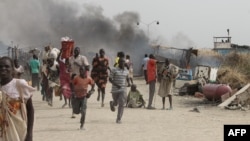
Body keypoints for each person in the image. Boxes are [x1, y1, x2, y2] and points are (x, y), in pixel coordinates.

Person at [0, 56, 35, 141]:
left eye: (7, 66)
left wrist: (29, 134)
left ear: (12, 69)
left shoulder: (20, 84)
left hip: (20, 132)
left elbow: (30, 109)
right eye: (0, 67)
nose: (3, 69)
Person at [69, 47, 90, 118]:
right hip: (73, 78)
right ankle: (73, 112)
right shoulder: (70, 58)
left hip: (81, 79)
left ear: (79, 51)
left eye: (77, 50)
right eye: (75, 50)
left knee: (81, 95)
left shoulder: (83, 58)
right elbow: (69, 68)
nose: (76, 51)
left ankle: (81, 109)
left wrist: (78, 64)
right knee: (73, 95)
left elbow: (88, 68)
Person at [109, 57, 130, 124]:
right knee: (116, 103)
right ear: (118, 63)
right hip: (115, 90)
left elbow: (127, 77)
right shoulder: (114, 70)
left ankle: (118, 119)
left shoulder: (126, 70)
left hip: (123, 89)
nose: (122, 63)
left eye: (123, 62)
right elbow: (110, 79)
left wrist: (129, 83)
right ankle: (112, 103)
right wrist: (116, 84)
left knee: (121, 103)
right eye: (121, 62)